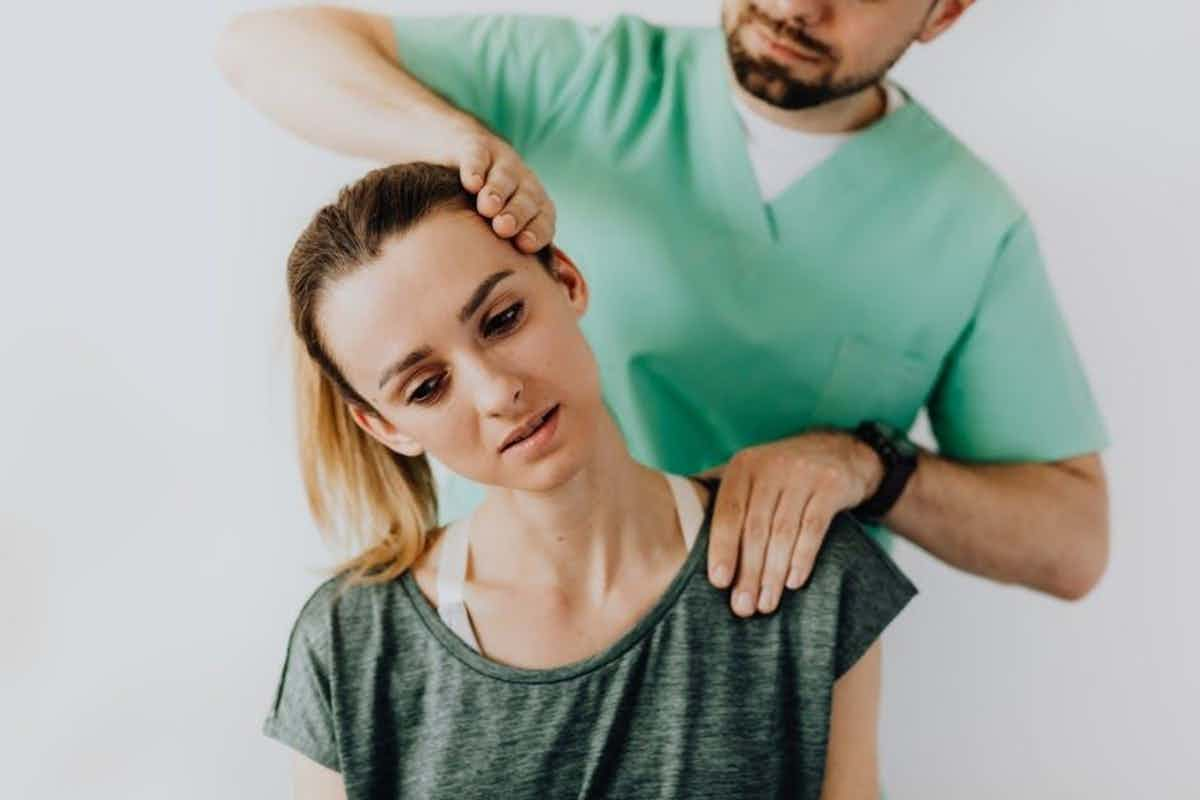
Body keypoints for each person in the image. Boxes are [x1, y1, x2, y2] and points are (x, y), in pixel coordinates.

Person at [217, 0, 1110, 619]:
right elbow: (263, 43)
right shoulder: (584, 81)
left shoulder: (970, 224)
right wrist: (457, 144)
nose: (795, 4)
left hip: (754, 666)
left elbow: (1073, 545)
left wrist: (868, 464)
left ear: (945, 12)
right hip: (504, 629)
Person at [266, 162, 916, 799]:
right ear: (387, 429)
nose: (498, 391)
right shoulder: (350, 643)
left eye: (502, 320)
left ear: (567, 280)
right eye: (428, 387)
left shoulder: (803, 568)